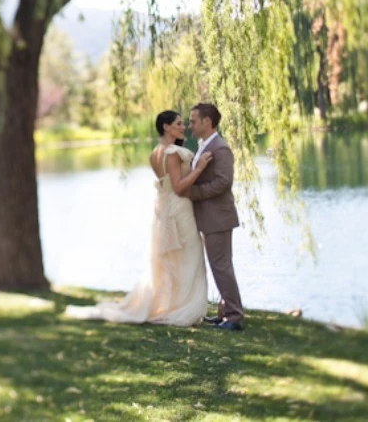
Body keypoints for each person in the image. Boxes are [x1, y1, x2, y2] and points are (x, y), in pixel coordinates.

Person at [63, 110, 212, 325]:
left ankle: (178, 304)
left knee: (176, 260)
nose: (183, 127)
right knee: (190, 256)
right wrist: (198, 169)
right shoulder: (171, 152)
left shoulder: (156, 152)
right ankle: (183, 309)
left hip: (166, 208)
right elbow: (178, 187)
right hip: (179, 208)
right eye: (179, 123)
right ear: (166, 127)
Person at [186, 103, 244, 330]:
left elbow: (223, 182)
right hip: (209, 217)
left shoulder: (220, 148)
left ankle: (234, 316)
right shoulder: (204, 145)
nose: (190, 124)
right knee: (219, 265)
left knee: (221, 265)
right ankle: (224, 312)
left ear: (206, 121)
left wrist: (193, 193)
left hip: (218, 217)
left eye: (193, 120)